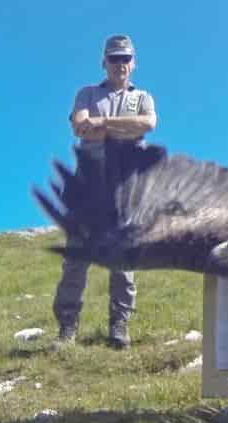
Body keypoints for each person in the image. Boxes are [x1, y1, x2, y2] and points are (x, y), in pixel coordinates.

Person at [53, 34, 158, 349]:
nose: (120, 64)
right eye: (114, 59)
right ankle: (67, 329)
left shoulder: (144, 97)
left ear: (133, 63)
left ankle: (119, 326)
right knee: (76, 259)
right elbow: (81, 126)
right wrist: (125, 127)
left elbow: (148, 124)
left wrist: (104, 123)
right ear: (104, 62)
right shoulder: (86, 93)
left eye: (125, 58)